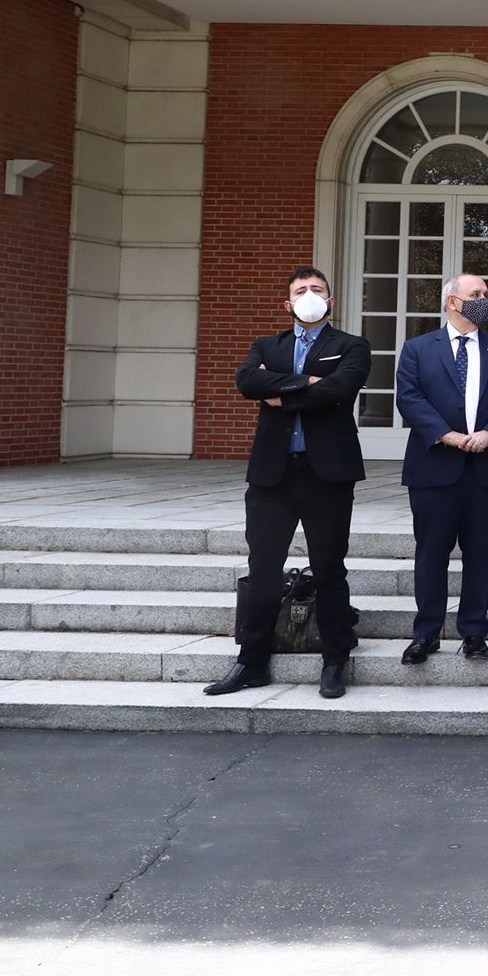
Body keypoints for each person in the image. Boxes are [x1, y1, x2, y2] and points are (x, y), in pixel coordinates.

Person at [207, 267, 371, 701]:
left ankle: (335, 659)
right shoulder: (267, 345)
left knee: (329, 569)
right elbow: (247, 381)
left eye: (317, 289)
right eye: (301, 290)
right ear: (288, 303)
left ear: (330, 301)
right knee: (263, 571)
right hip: (271, 475)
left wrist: (280, 393)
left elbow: (341, 389)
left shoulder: (351, 345)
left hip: (327, 473)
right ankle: (251, 661)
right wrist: (306, 382)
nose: (309, 295)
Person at [396, 273, 488, 666]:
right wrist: (445, 435)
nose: (484, 299)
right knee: (431, 554)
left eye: (486, 294)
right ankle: (426, 633)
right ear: (453, 301)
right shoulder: (418, 349)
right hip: (434, 467)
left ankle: (474, 632)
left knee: (482, 555)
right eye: (476, 294)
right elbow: (409, 398)